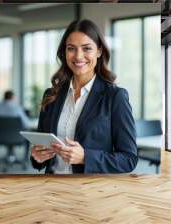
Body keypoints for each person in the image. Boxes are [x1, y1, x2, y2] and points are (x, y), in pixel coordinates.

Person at [30, 19, 138, 174]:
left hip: (90, 191)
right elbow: (40, 153)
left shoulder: (115, 97)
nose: (78, 56)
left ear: (99, 51)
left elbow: (129, 159)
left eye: (87, 48)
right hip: (52, 188)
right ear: (64, 52)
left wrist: (86, 157)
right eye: (71, 49)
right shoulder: (51, 95)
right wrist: (37, 157)